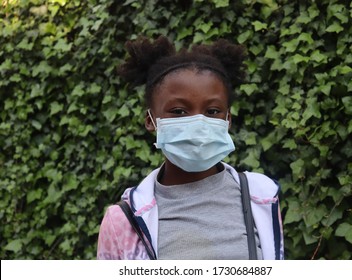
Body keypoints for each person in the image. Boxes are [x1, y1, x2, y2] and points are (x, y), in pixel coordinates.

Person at [97, 36, 284, 260]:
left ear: (228, 119)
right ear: (150, 120)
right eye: (178, 111)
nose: (199, 122)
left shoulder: (261, 198)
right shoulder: (123, 221)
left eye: (213, 111)